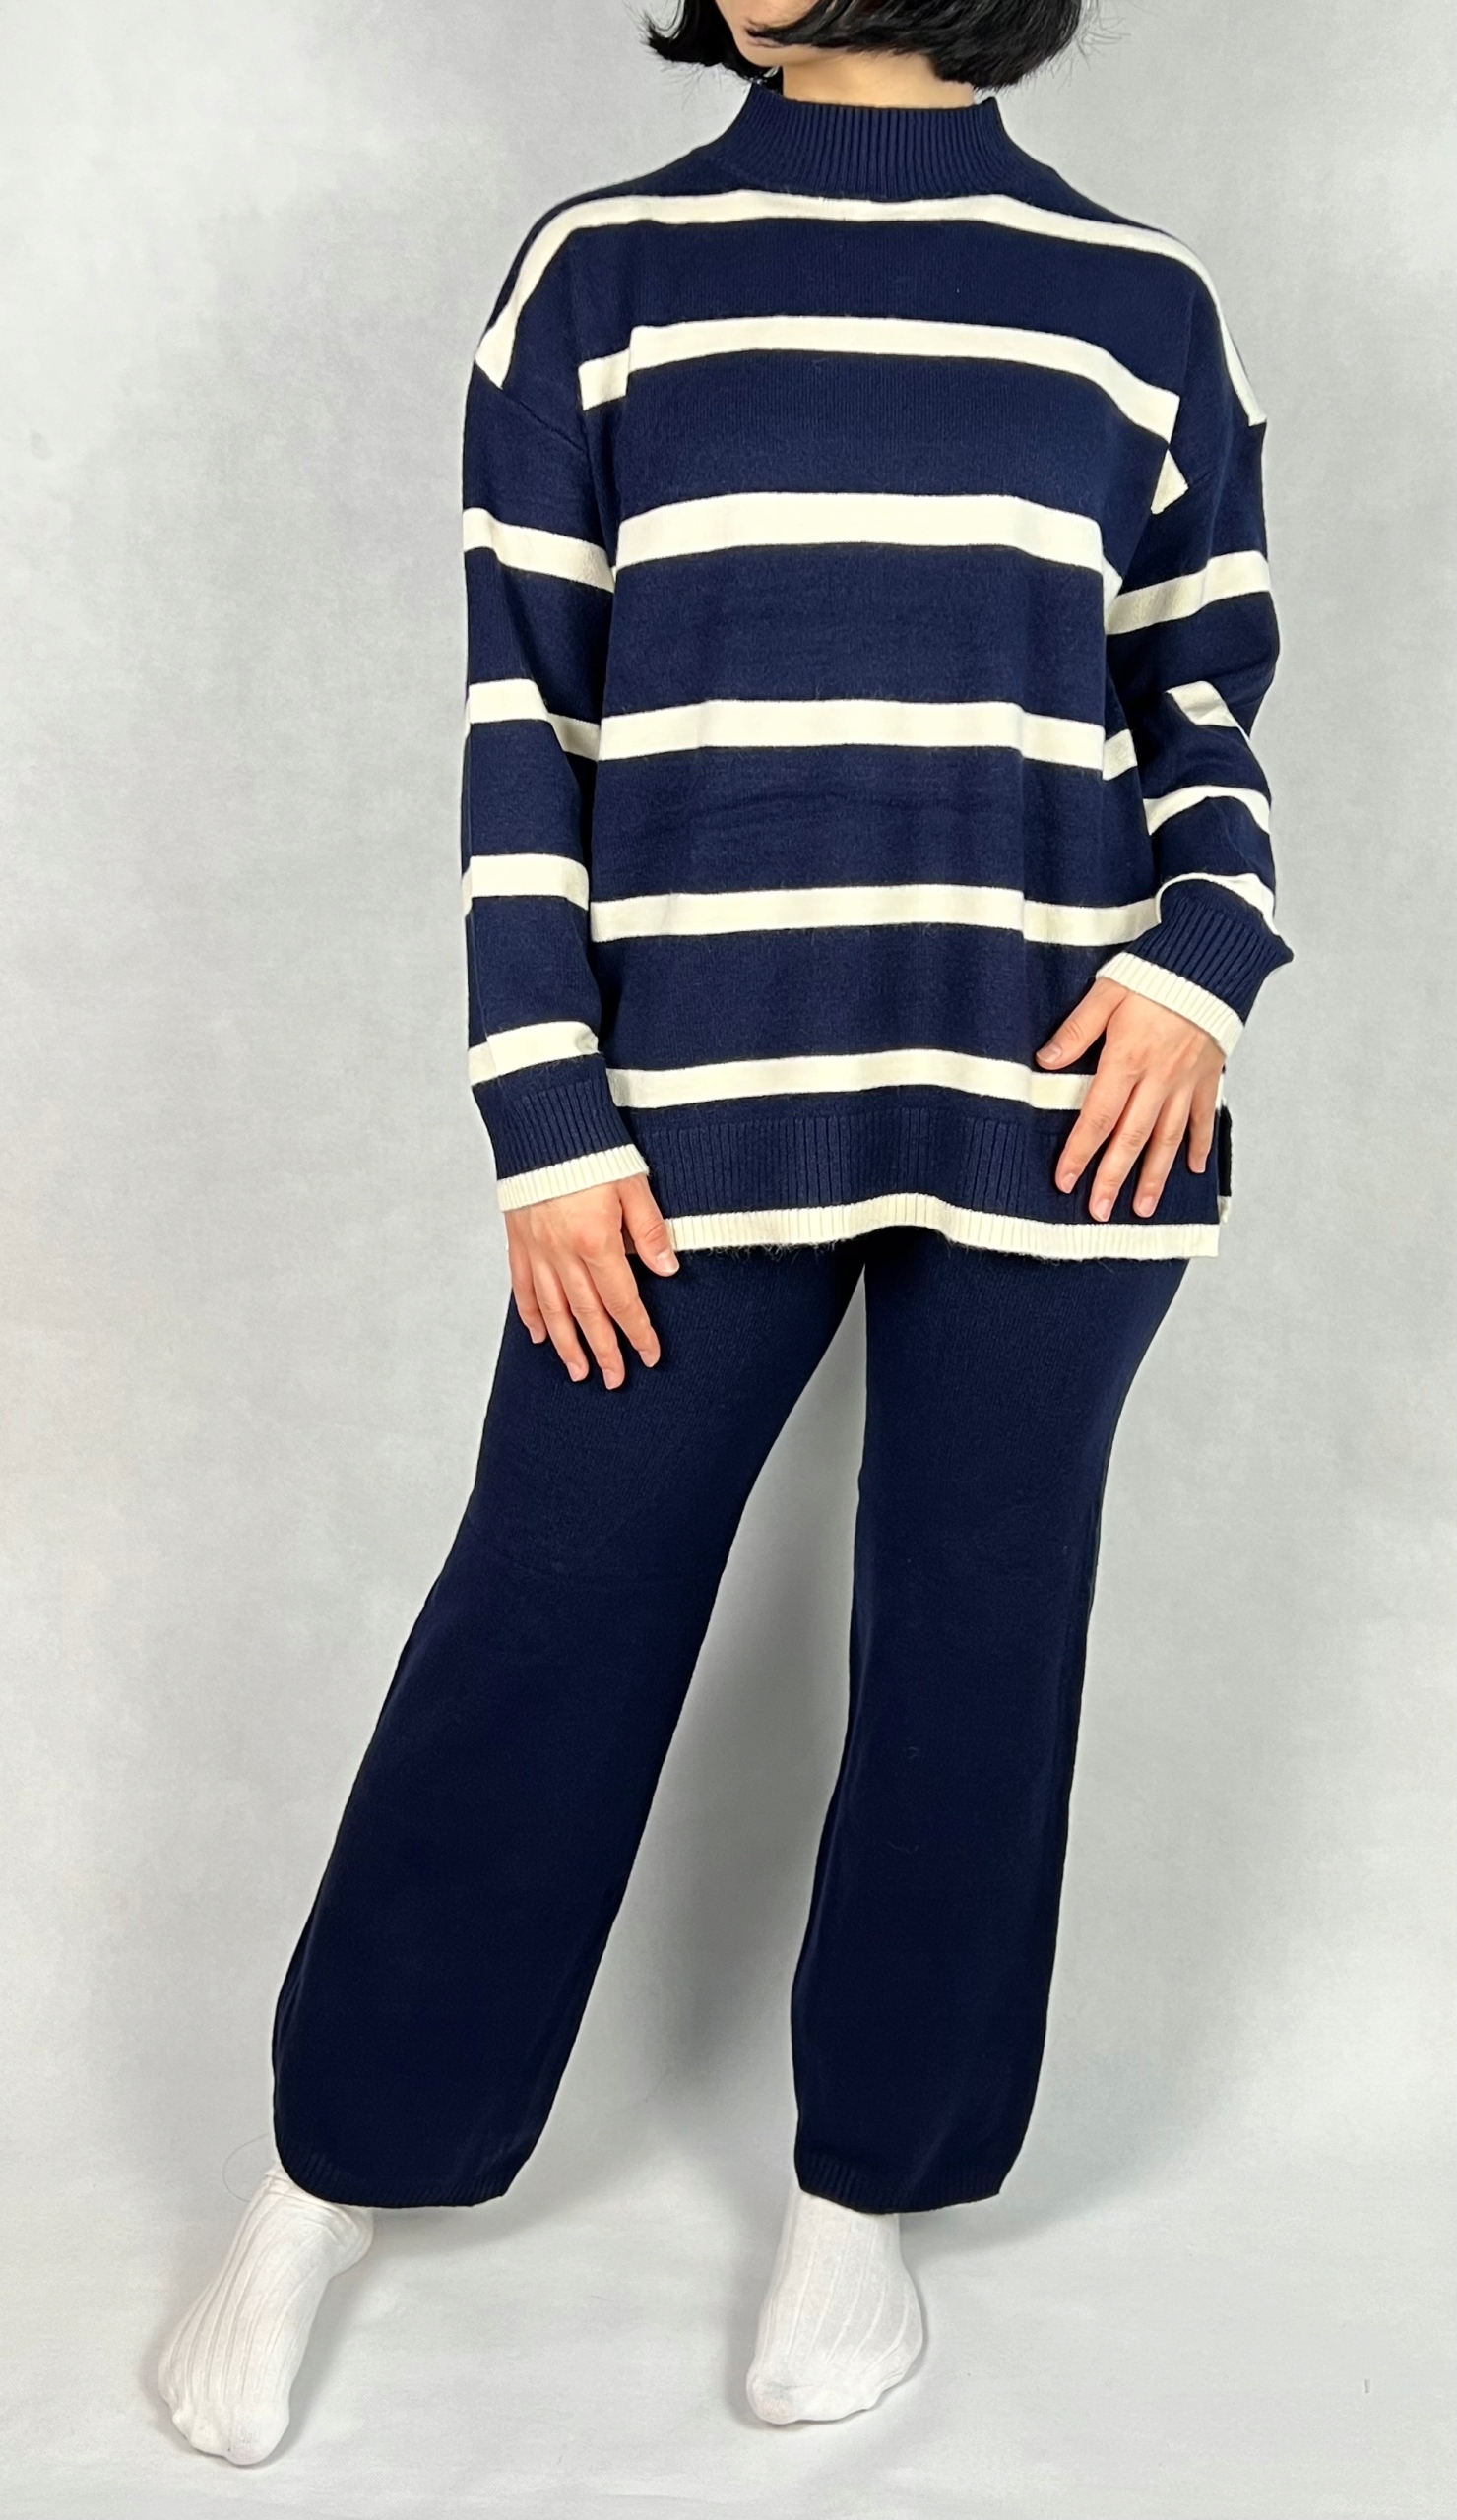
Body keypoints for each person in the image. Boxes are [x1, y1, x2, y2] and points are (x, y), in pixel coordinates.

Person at [158, 0, 1292, 2465]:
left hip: (1059, 1095)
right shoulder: (601, 273)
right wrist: (542, 1109)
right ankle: (332, 2166)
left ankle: (862, 2186)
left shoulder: (1135, 303)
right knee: (541, 1618)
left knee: (972, 1650)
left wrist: (1203, 962)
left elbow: (1201, 694)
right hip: (675, 1110)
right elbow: (520, 717)